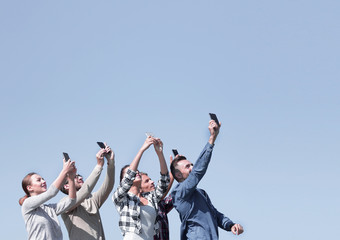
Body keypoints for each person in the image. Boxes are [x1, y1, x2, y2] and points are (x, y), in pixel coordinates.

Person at [170, 119, 244, 240]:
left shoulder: (201, 193)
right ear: (178, 175)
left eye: (192, 164)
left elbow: (215, 214)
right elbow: (198, 172)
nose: (192, 168)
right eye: (187, 166)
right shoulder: (178, 192)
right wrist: (212, 139)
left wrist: (230, 225)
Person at [112, 136, 170, 240]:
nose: (136, 172)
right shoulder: (121, 198)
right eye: (133, 172)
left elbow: (164, 182)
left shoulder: (151, 198)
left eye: (138, 172)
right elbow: (129, 177)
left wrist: (160, 153)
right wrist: (142, 149)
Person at [60, 143, 115, 240]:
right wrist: (98, 166)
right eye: (76, 177)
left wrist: (110, 163)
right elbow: (83, 192)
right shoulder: (64, 203)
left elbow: (108, 185)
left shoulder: (91, 198)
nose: (80, 177)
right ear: (66, 186)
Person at [19, 158, 77, 240]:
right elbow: (51, 193)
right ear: (29, 188)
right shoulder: (27, 204)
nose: (43, 181)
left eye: (43, 179)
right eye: (39, 180)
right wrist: (64, 171)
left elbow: (71, 201)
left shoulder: (49, 209)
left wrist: (71, 178)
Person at [140, 156, 175, 240]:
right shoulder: (139, 204)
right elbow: (162, 191)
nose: (152, 182)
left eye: (150, 179)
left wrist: (178, 171)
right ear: (139, 189)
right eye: (146, 181)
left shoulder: (161, 204)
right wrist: (172, 174)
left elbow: (177, 194)